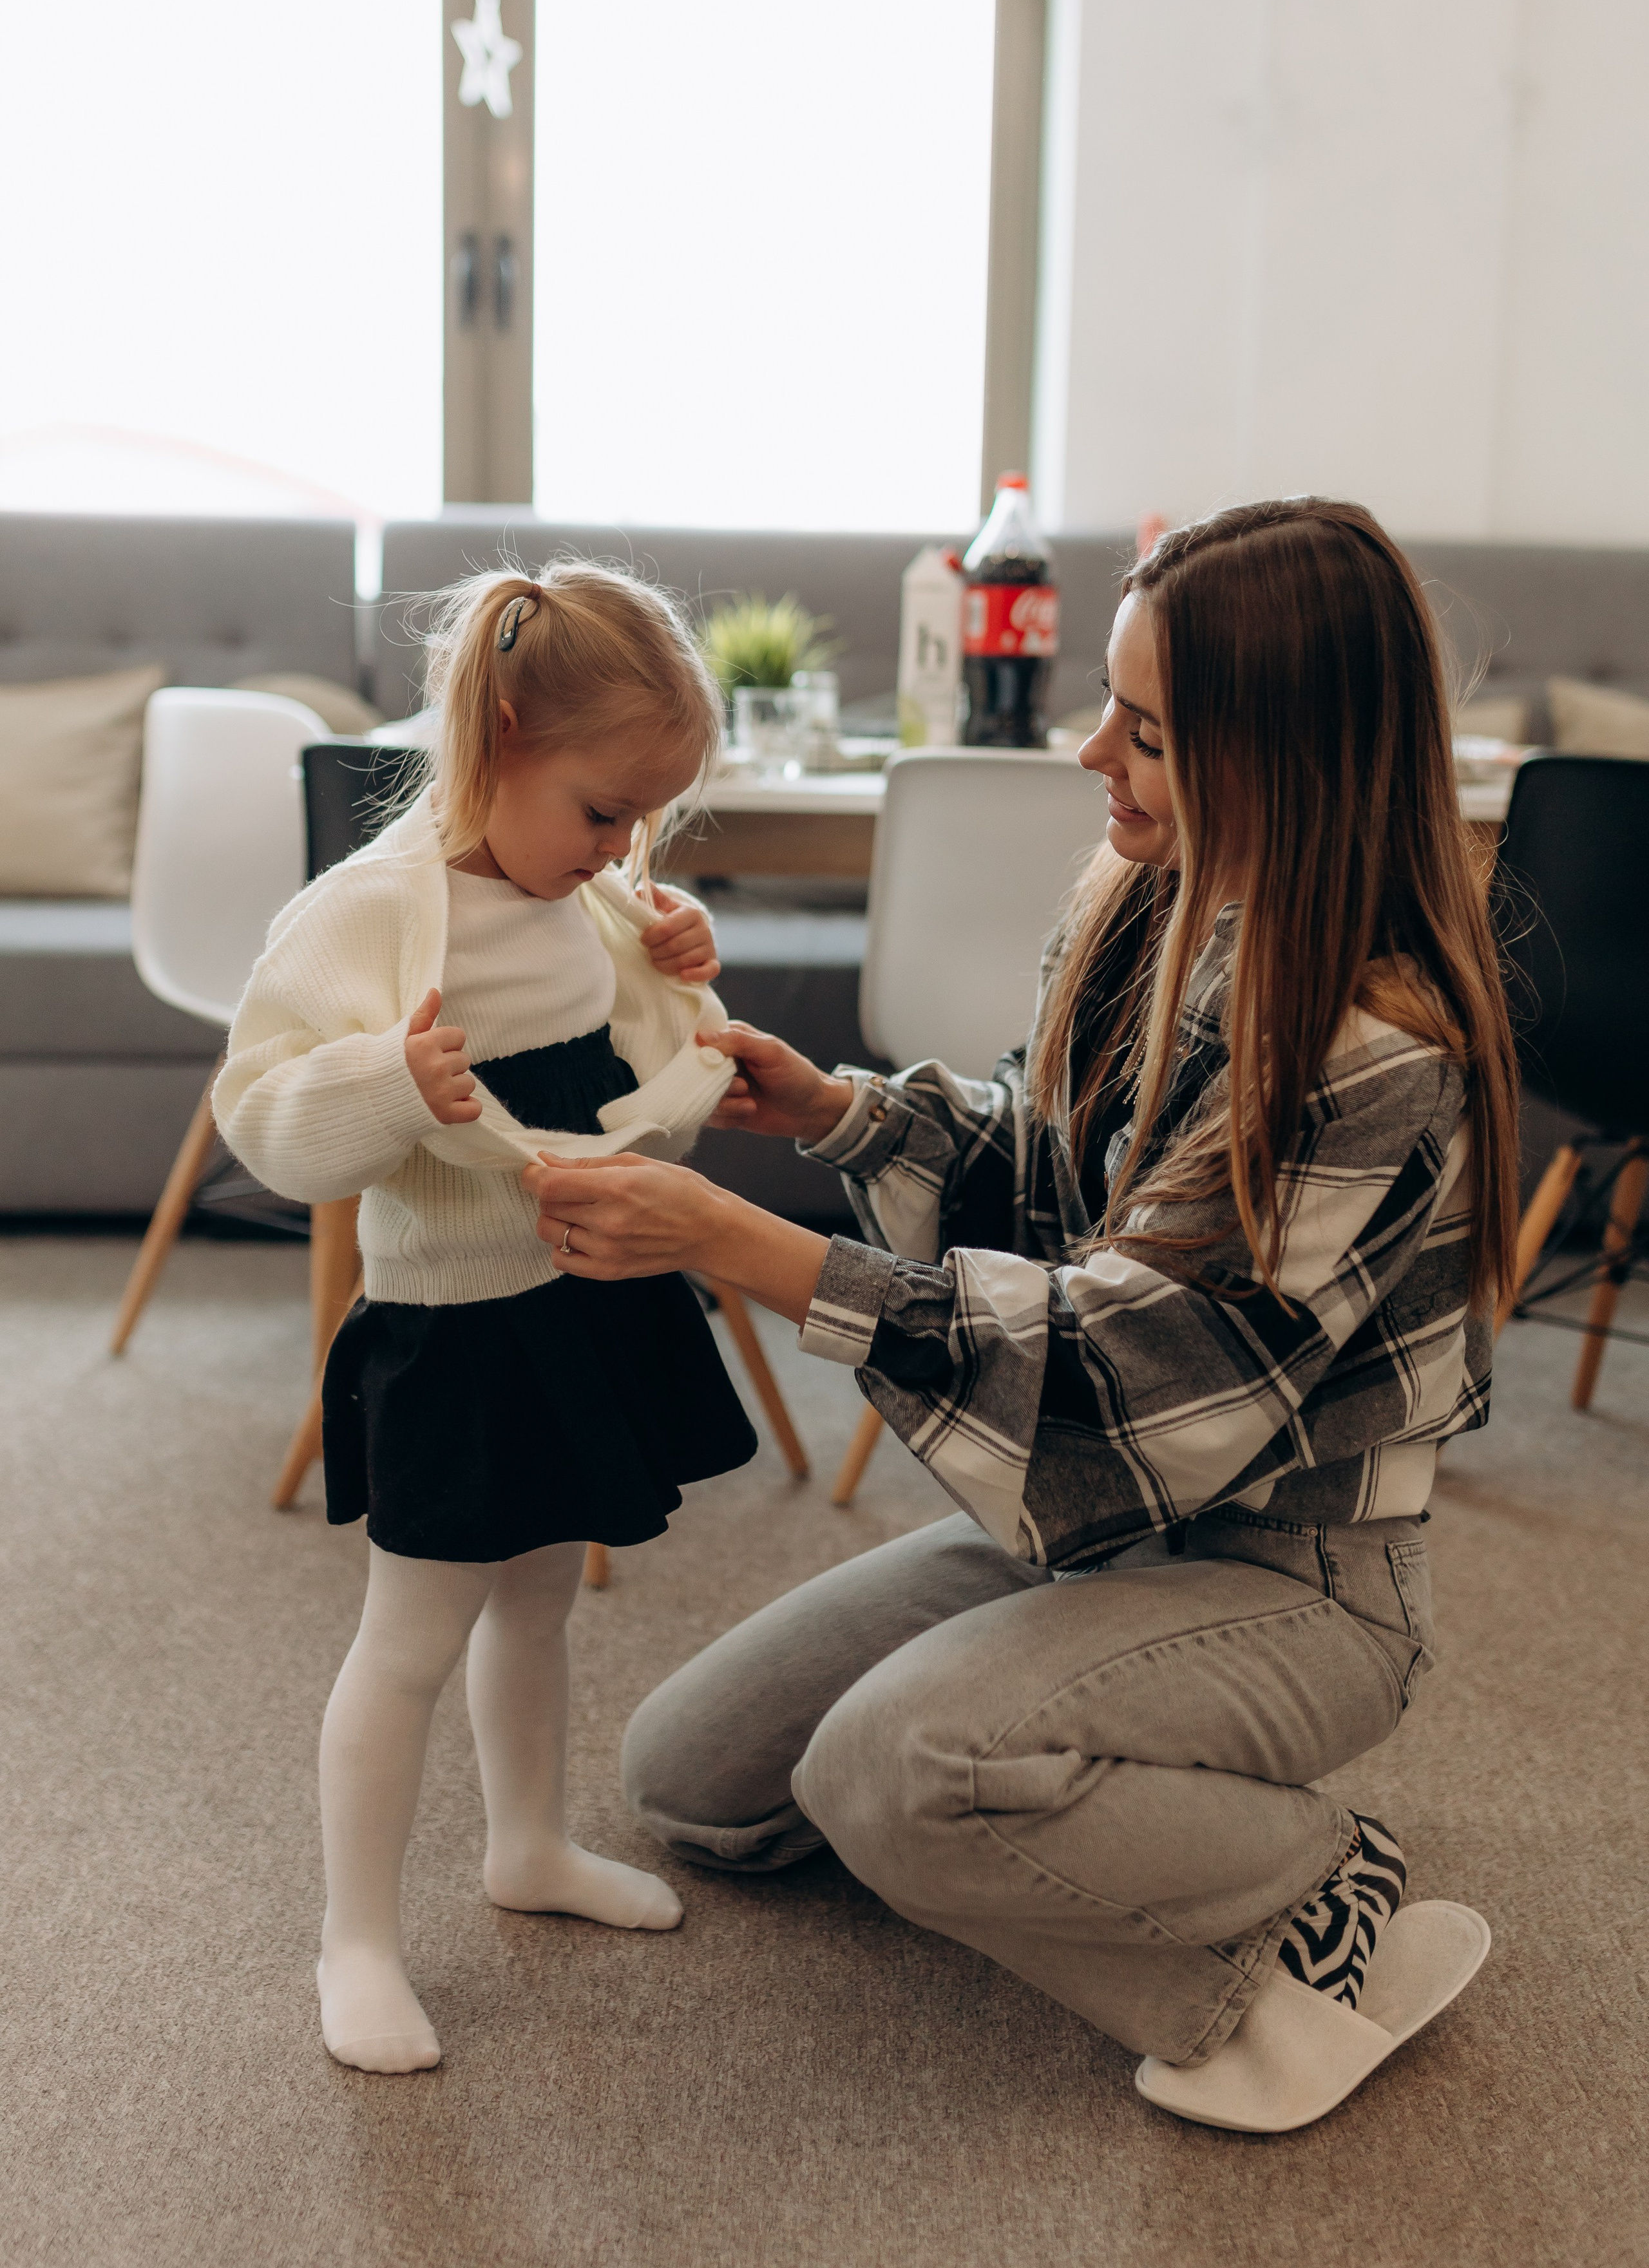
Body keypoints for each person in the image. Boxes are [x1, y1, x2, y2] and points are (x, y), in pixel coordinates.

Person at [522, 499, 1517, 2134]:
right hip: (1109, 1541)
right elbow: (1040, 1166)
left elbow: (1136, 1369)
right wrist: (834, 1115)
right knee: (692, 1780)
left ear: (1274, 753)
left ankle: (1304, 1898)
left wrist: (741, 1245)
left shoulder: (1372, 1053)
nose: (1084, 751)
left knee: (883, 1773)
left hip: (1293, 1580)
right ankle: (1059, 1805)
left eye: (1140, 727)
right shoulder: (1143, 904)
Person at [214, 563, 758, 2075]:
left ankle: (527, 1843)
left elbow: (642, 1081)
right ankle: (357, 1940)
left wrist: (672, 962)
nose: (620, 845)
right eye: (602, 808)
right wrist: (393, 1080)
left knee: (540, 1595)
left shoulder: (577, 891)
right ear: (499, 732)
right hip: (456, 1324)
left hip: (576, 1303)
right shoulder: (376, 912)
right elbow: (260, 1112)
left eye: (645, 818)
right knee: (408, 1638)